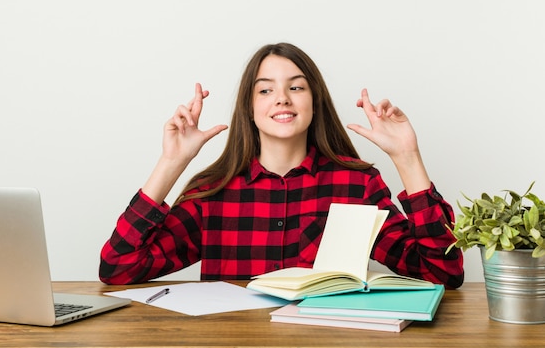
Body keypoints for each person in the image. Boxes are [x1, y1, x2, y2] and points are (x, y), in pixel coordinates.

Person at [99, 42, 464, 288]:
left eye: (297, 87)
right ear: (249, 108)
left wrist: (407, 157)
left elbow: (442, 271)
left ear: (314, 102)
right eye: (265, 90)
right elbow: (118, 267)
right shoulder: (212, 192)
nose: (282, 99)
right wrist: (171, 162)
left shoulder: (358, 184)